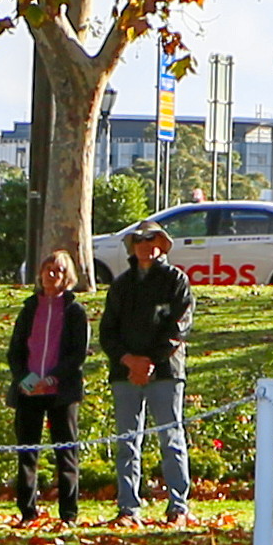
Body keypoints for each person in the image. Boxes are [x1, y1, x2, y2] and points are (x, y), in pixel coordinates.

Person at [99, 222, 197, 522]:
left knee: (171, 438)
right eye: (140, 240)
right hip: (126, 374)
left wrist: (151, 361)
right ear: (132, 247)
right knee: (127, 441)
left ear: (163, 244)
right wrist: (129, 360)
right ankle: (128, 508)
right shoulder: (122, 284)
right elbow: (107, 331)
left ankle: (178, 506)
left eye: (153, 239)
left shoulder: (176, 280)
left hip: (166, 372)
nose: (146, 245)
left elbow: (178, 327)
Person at [4, 247, 96, 525]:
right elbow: (16, 351)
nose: (52, 275)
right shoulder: (29, 308)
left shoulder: (75, 311)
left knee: (66, 452)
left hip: (61, 392)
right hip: (29, 390)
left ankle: (68, 513)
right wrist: (27, 380)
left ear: (67, 277)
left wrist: (52, 379)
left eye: (58, 271)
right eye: (48, 270)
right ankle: (27, 511)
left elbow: (77, 354)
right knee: (27, 452)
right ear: (40, 273)